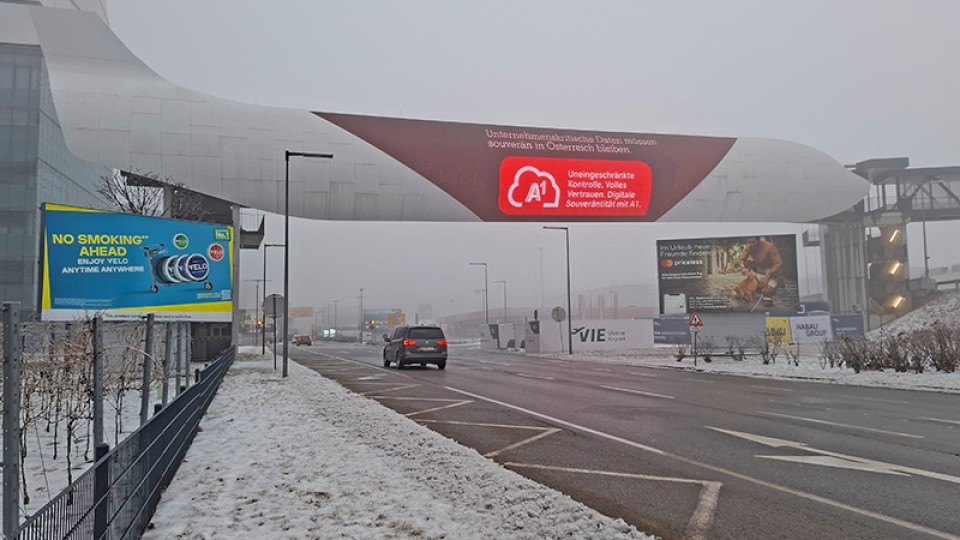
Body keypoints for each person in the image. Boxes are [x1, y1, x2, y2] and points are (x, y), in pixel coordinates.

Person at [737, 237, 783, 306]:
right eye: (749, 242)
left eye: (754, 242)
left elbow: (778, 263)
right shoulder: (749, 247)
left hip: (772, 271)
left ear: (759, 240)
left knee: (767, 294)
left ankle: (772, 288)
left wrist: (768, 276)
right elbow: (741, 260)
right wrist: (743, 267)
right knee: (744, 292)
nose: (751, 244)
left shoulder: (769, 246)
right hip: (759, 270)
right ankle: (756, 288)